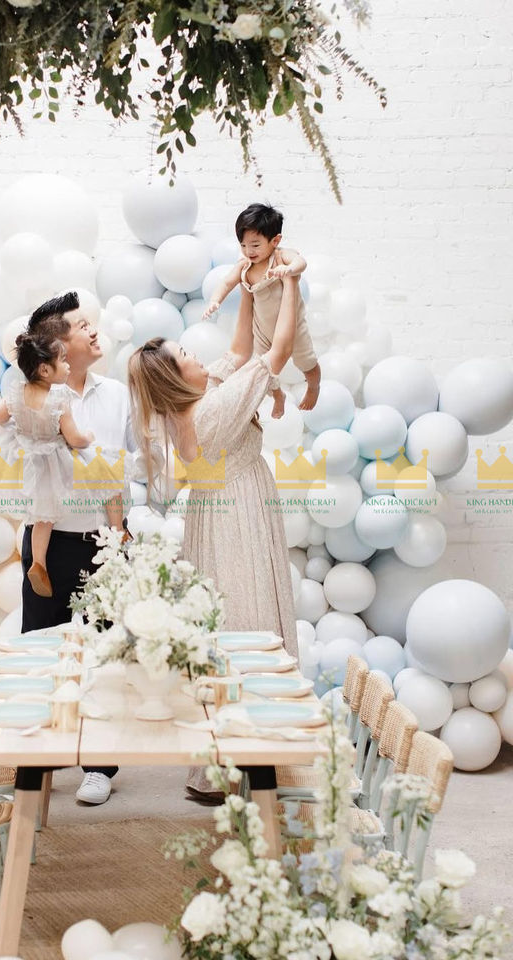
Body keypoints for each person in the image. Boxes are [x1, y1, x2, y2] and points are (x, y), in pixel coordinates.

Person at [128, 276, 301, 801]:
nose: (197, 355)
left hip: (217, 512)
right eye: (186, 355)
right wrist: (291, 282)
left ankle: (223, 761)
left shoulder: (190, 406)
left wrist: (246, 286)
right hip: (237, 512)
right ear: (176, 377)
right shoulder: (210, 411)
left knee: (227, 619)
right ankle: (250, 753)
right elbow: (276, 351)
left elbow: (239, 350)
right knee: (248, 616)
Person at [17, 291, 138, 806]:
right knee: (39, 653)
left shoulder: (117, 394)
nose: (92, 330)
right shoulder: (34, 394)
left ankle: (100, 766)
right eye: (81, 324)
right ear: (56, 343)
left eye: (92, 323)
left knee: (107, 656)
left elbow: (133, 459)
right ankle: (36, 763)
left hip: (104, 540)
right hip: (48, 542)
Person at [0, 320, 118, 598]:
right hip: (53, 462)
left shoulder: (17, 393)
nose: (68, 366)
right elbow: (73, 438)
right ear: (45, 370)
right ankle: (117, 529)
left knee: (41, 518)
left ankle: (38, 562)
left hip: (28, 462)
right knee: (105, 475)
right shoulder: (58, 399)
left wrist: (19, 428)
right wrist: (88, 437)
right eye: (63, 361)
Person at [203, 202, 320, 417]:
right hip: (263, 329)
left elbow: (301, 262)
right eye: (243, 245)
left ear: (275, 241)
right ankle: (278, 396)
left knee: (308, 363)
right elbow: (227, 282)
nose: (249, 251)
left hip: (293, 328)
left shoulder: (281, 257)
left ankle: (313, 386)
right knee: (263, 370)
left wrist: (289, 269)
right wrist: (215, 300)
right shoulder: (244, 265)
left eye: (255, 245)